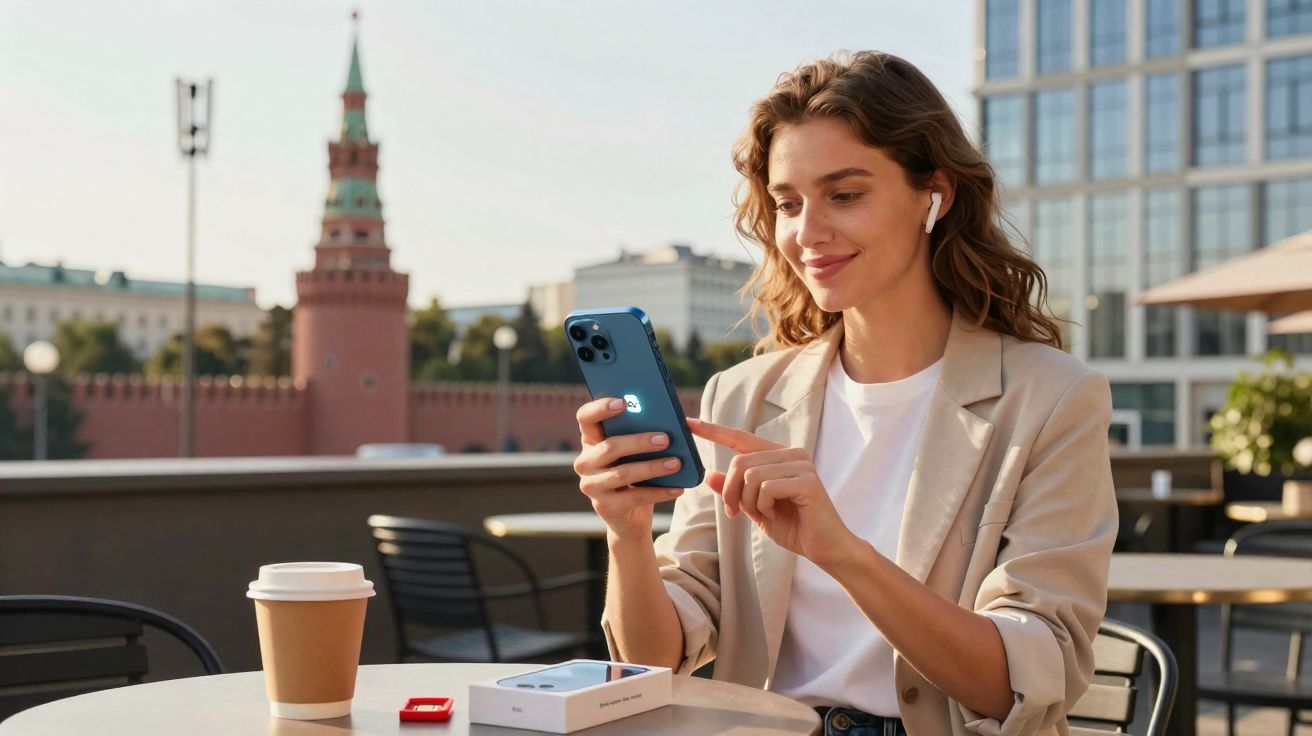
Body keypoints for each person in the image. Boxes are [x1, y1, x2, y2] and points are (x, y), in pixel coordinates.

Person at [572, 51, 1116, 736]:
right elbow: (656, 660)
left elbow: (1030, 680)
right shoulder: (741, 396)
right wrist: (626, 537)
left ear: (935, 197)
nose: (807, 232)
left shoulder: (1053, 400)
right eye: (788, 203)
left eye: (845, 194)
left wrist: (844, 553)